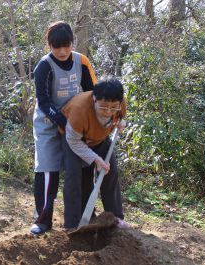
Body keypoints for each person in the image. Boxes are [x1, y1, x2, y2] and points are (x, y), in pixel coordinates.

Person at [31, 21, 97, 235]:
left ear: (72, 43)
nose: (62, 51)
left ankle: (85, 214)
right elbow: (43, 101)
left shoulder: (81, 62)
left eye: (66, 46)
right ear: (49, 45)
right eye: (56, 46)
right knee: (47, 169)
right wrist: (63, 122)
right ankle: (43, 220)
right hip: (49, 122)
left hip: (75, 121)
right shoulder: (44, 66)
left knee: (83, 166)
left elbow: (92, 93)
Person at [60, 78, 131, 230]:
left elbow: (120, 117)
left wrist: (121, 123)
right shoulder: (79, 109)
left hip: (100, 139)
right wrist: (95, 159)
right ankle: (73, 224)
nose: (109, 112)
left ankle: (115, 219)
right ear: (94, 99)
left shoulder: (119, 104)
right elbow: (73, 141)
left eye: (114, 108)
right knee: (75, 177)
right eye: (104, 107)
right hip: (75, 141)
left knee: (110, 173)